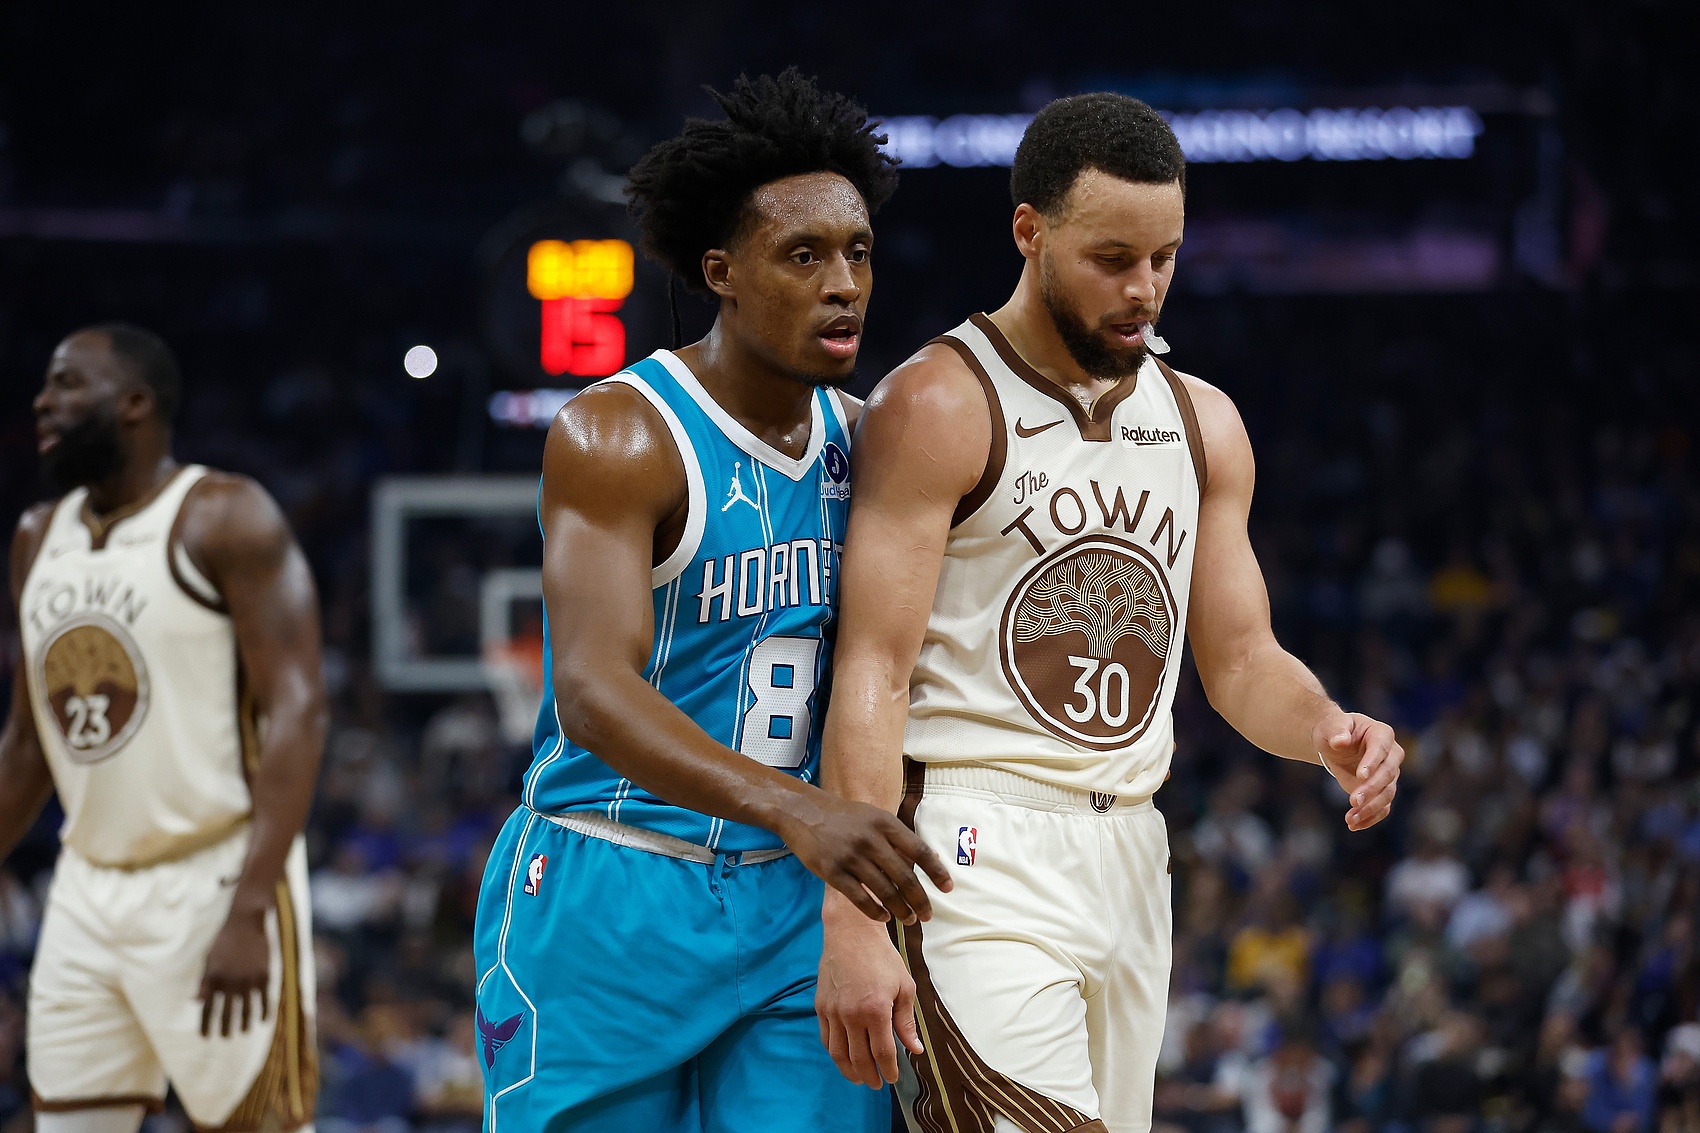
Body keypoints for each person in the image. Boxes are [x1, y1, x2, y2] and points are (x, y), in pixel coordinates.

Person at [815, 93, 1405, 1133]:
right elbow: (872, 670)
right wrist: (851, 911)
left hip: (1132, 846)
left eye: (1163, 258)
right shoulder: (939, 403)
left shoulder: (1203, 422)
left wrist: (1323, 725)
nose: (1144, 289)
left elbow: (1240, 657)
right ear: (1029, 231)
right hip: (967, 840)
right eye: (1112, 259)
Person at [471, 70, 948, 1133]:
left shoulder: (870, 443)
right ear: (720, 271)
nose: (844, 284)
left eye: (858, 252)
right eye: (804, 256)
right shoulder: (620, 433)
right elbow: (592, 693)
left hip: (792, 899)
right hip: (611, 884)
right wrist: (799, 807)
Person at [0, 324, 324, 1131]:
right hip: (86, 885)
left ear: (134, 402)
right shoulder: (37, 538)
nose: (43, 401)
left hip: (214, 878)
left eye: (67, 383)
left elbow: (299, 710)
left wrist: (250, 908)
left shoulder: (223, 515)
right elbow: (28, 745)